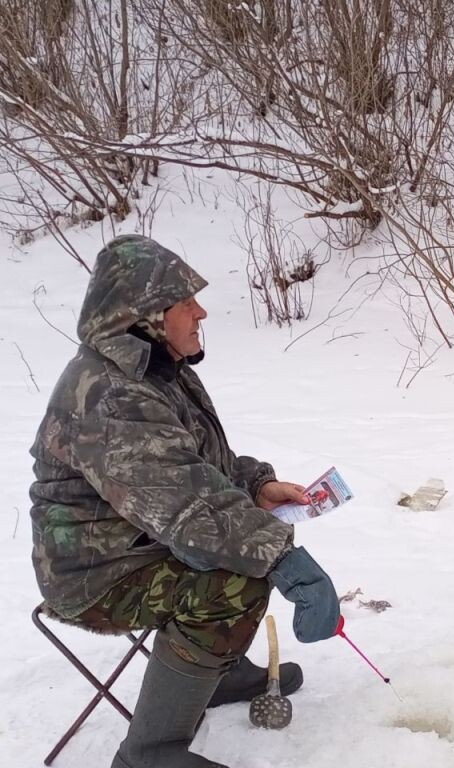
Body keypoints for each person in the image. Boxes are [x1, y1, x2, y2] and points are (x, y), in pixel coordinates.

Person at [29, 235, 341, 767]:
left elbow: (193, 469)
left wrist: (255, 484)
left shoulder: (156, 369)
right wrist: (289, 561)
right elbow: (188, 508)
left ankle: (211, 677)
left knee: (233, 548)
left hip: (139, 537)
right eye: (185, 302)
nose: (200, 312)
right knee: (234, 581)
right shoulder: (112, 395)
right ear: (147, 314)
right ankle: (149, 752)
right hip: (94, 571)